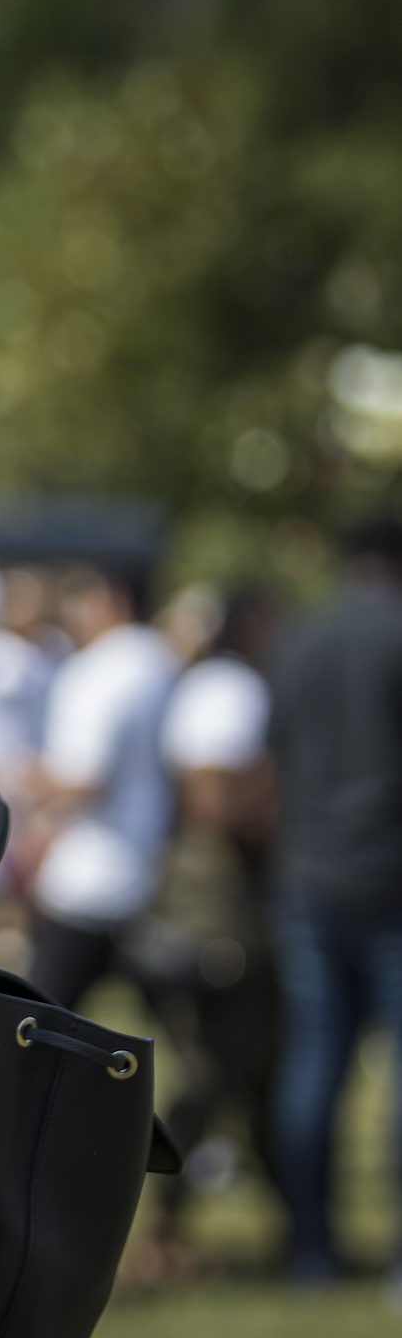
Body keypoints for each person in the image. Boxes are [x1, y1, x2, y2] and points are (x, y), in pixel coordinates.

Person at [267, 512, 402, 1287]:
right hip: (388, 874)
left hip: (311, 874)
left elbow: (276, 758)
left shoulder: (300, 638)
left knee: (315, 1057)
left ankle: (311, 1247)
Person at [134, 583, 281, 1275]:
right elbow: (215, 800)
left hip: (199, 902)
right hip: (214, 911)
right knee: (213, 1071)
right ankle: (164, 1227)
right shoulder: (230, 689)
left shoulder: (208, 685)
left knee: (233, 1069)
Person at [22, 565, 181, 1011]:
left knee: (42, 1024)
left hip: (89, 877)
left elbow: (81, 780)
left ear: (112, 599)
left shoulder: (98, 669)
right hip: (149, 869)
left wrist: (19, 777)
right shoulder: (161, 660)